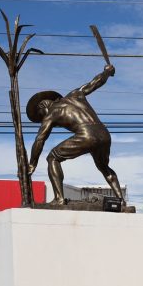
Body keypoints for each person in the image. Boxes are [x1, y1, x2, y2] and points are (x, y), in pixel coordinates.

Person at [26, 64, 125, 205]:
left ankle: (59, 199)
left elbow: (40, 139)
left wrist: (32, 163)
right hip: (104, 133)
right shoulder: (75, 94)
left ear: (43, 106)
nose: (42, 119)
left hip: (86, 134)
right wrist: (107, 72)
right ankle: (121, 201)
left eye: (41, 116)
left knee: (52, 157)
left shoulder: (52, 113)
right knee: (104, 167)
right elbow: (95, 82)